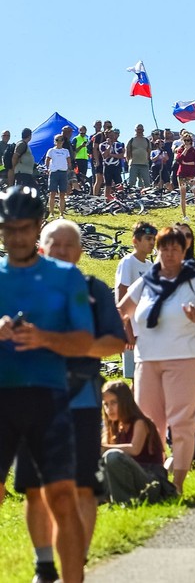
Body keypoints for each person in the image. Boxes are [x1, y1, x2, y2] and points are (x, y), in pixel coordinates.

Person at [11, 219, 125, 583]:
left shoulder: (93, 290)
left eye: (68, 244)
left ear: (79, 251)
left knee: (81, 487)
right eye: (54, 244)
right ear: (41, 248)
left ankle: (77, 558)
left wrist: (71, 345)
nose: (61, 250)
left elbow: (116, 343)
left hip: (81, 401)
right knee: (34, 488)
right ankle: (44, 565)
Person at [0, 186, 94, 583]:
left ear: (37, 228)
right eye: (8, 229)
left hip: (49, 398)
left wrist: (43, 339)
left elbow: (84, 342)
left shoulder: (65, 277)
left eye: (24, 229)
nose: (16, 237)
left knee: (60, 496)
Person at [117, 226, 195, 495]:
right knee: (148, 423)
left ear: (183, 251)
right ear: (157, 250)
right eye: (163, 248)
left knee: (180, 422)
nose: (168, 253)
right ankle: (152, 478)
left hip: (183, 359)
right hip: (147, 360)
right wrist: (127, 333)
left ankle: (176, 485)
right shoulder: (146, 281)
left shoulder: (194, 279)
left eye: (174, 248)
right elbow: (122, 309)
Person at [100, 381, 176, 505]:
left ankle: (125, 503)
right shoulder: (114, 427)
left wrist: (104, 448)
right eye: (106, 405)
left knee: (112, 456)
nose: (109, 409)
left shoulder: (140, 422)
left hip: (150, 482)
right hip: (129, 481)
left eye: (113, 403)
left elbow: (135, 449)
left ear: (124, 401)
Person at [115, 222, 157, 380]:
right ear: (135, 241)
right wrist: (128, 332)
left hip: (148, 331)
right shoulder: (128, 263)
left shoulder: (151, 266)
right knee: (136, 379)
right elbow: (121, 297)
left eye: (153, 239)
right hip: (132, 330)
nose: (152, 242)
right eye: (148, 238)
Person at [175, 132, 195, 221]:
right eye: (185, 140)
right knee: (183, 195)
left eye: (189, 140)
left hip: (191, 175)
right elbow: (178, 160)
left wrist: (186, 163)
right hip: (182, 175)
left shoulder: (194, 151)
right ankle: (184, 216)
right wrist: (185, 150)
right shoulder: (180, 149)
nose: (187, 142)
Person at [44, 134, 72, 216]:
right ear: (54, 141)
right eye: (57, 140)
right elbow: (47, 160)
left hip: (63, 173)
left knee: (62, 194)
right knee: (52, 193)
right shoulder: (51, 151)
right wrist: (48, 168)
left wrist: (69, 169)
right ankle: (52, 212)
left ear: (63, 141)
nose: (59, 142)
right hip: (54, 172)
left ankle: (61, 213)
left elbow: (69, 160)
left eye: (60, 140)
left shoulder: (65, 151)